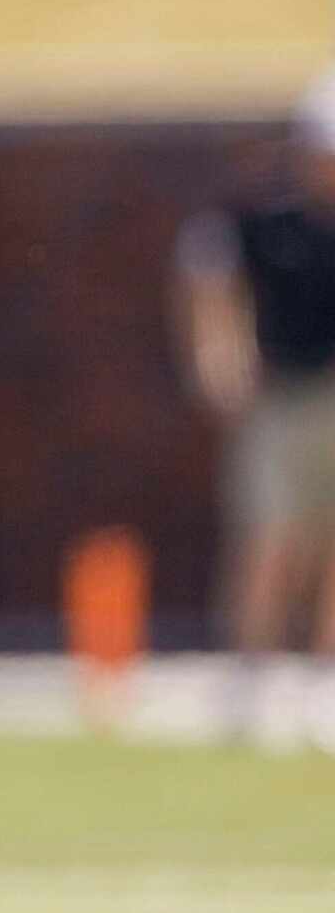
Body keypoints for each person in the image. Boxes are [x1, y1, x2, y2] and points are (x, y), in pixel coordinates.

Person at [175, 75, 335, 744]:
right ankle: (251, 679)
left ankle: (326, 685)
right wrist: (219, 362)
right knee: (270, 541)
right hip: (283, 399)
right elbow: (208, 275)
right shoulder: (263, 216)